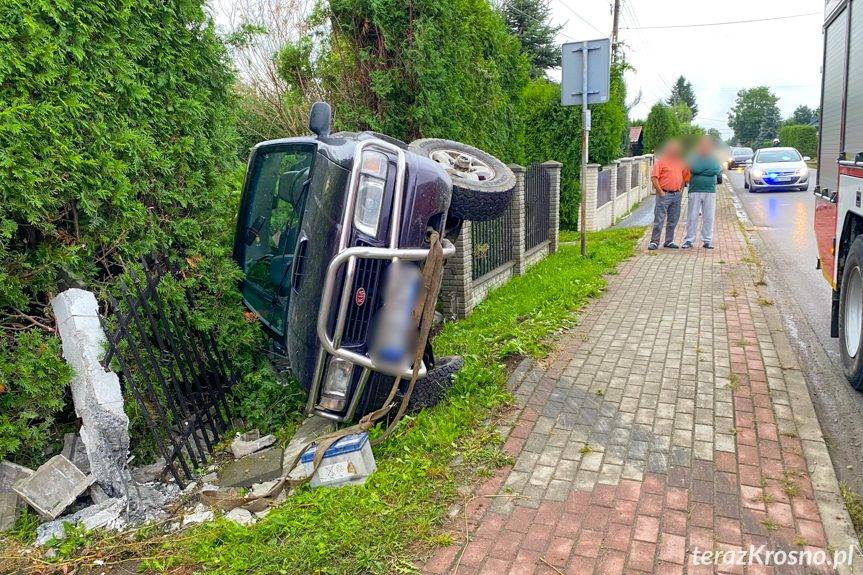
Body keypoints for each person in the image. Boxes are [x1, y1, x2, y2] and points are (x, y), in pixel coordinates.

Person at [649, 139, 690, 250]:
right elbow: (654, 178)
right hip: (664, 194)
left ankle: (669, 241)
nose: (675, 151)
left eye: (676, 149)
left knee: (673, 219)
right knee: (659, 219)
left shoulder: (681, 162)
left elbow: (684, 177)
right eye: (672, 149)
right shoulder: (661, 161)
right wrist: (661, 192)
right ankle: (654, 242)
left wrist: (681, 190)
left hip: (676, 195)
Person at [683, 136, 723, 249]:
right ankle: (689, 240)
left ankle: (707, 240)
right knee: (692, 216)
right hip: (695, 189)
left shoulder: (714, 157)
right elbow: (693, 169)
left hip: (710, 190)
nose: (705, 147)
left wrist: (701, 170)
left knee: (709, 217)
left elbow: (716, 169)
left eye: (707, 145)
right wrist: (707, 170)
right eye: (703, 145)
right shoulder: (693, 156)